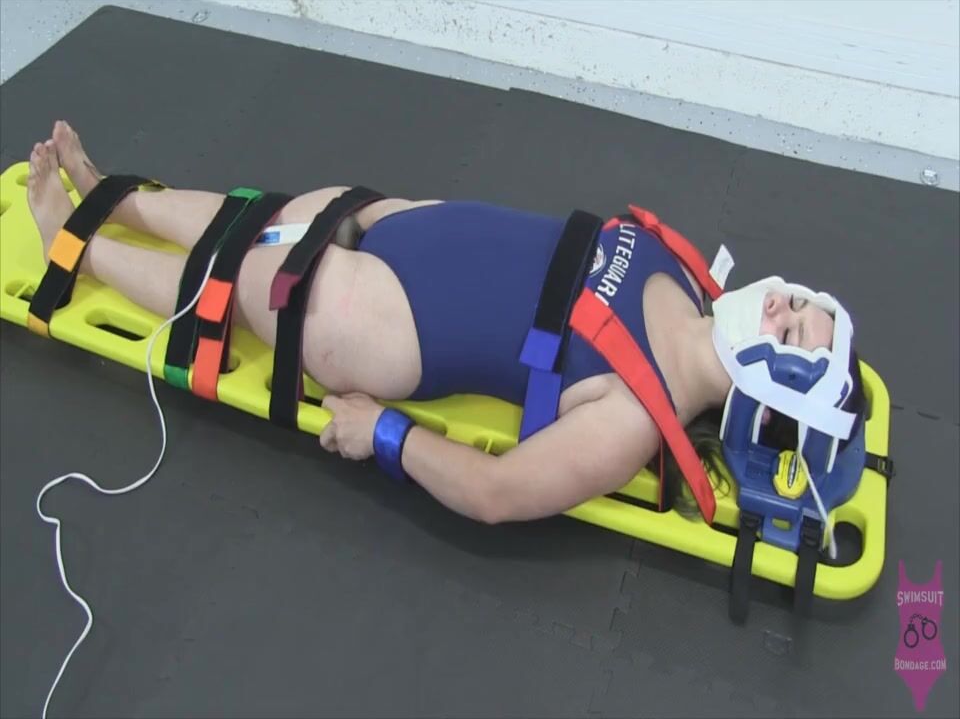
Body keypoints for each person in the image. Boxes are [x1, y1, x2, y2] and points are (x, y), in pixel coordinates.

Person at [25, 120, 865, 526]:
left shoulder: (636, 416)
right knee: (272, 220)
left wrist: (384, 434)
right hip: (406, 225)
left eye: (793, 335)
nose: (782, 307)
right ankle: (114, 199)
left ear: (769, 399)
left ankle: (78, 247)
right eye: (802, 305)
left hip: (385, 324)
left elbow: (499, 494)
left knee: (244, 275)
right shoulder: (683, 273)